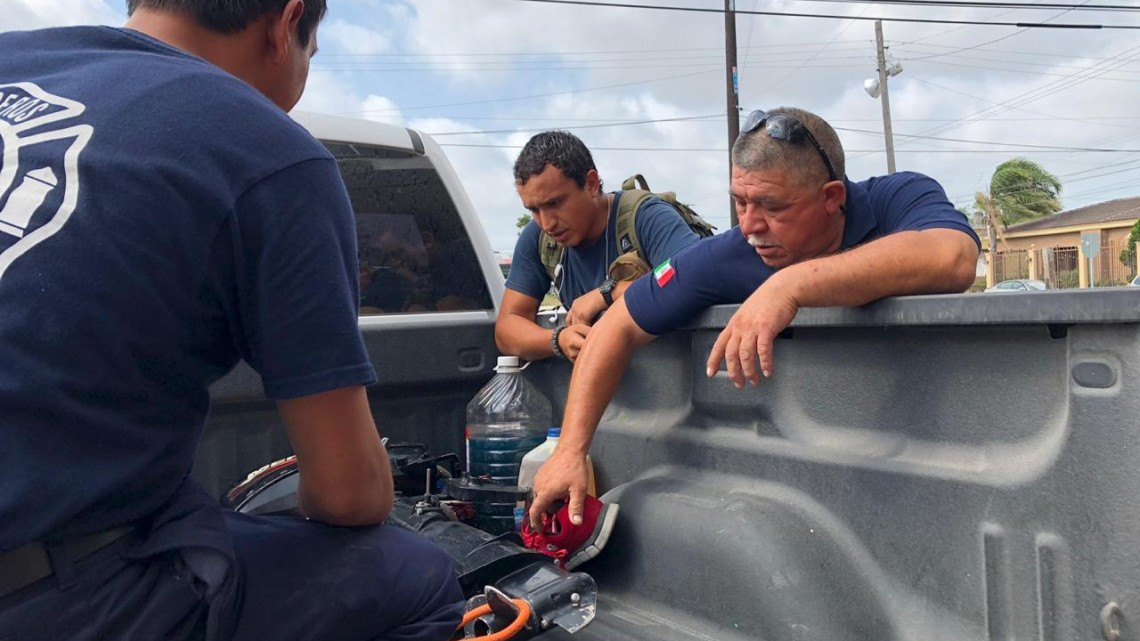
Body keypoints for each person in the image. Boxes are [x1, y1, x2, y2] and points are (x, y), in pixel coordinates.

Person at [0, 2, 463, 641]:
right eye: (312, 53)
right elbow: (349, 495)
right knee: (421, 577)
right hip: (52, 596)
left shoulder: (15, 59)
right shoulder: (269, 150)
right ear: (287, 21)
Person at [529, 107, 981, 529]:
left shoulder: (899, 197)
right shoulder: (729, 254)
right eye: (740, 203)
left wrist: (789, 286)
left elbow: (954, 257)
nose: (749, 226)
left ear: (832, 197)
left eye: (772, 206)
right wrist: (570, 451)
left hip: (953, 471)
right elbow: (617, 326)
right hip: (809, 503)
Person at [496, 131, 702, 363]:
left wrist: (608, 293)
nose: (546, 223)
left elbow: (691, 278)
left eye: (555, 203)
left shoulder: (647, 218)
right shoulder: (538, 238)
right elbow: (507, 328)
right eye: (533, 209)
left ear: (591, 184)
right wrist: (558, 339)